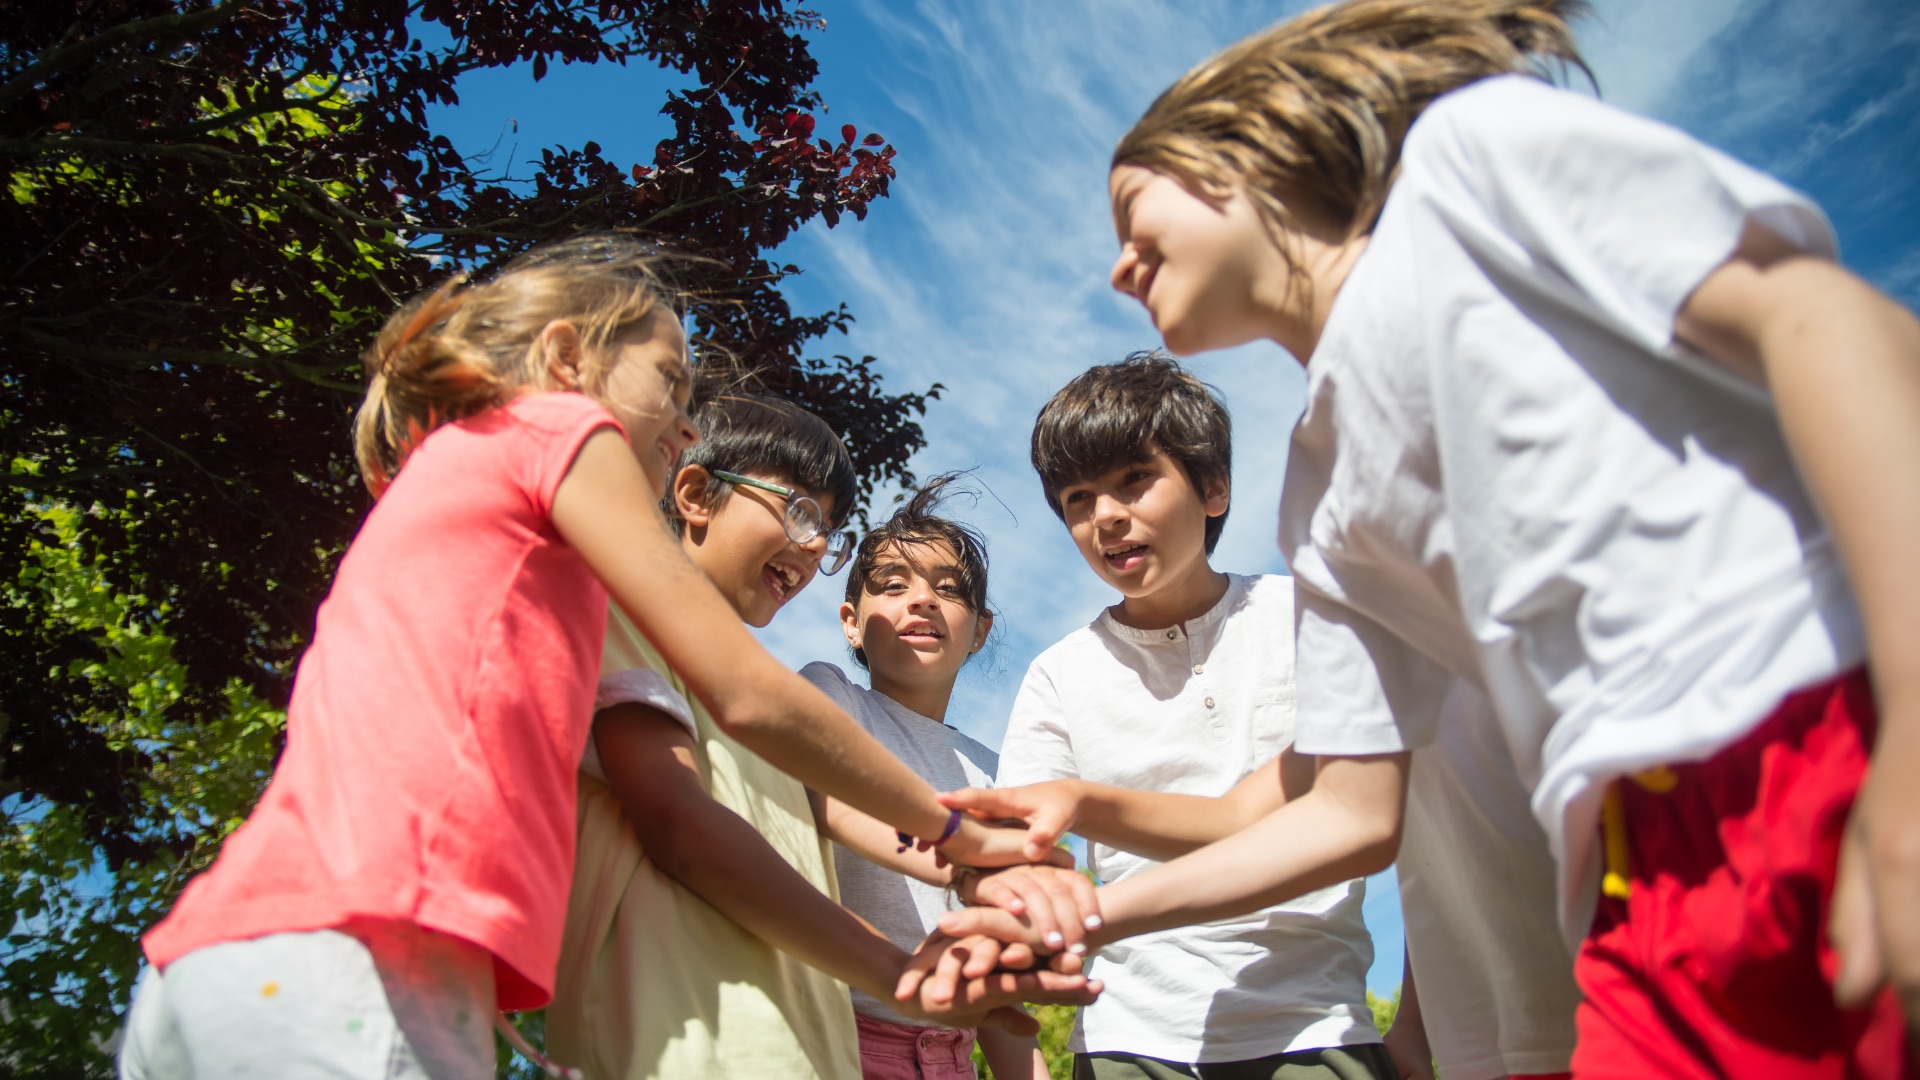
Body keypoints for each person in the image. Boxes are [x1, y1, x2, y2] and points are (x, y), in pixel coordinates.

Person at [928, 2, 1920, 1076]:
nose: (1121, 268)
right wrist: (1081, 920)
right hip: (1627, 875)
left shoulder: (1463, 168)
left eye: (1133, 214)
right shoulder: (1322, 491)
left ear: (1246, 165)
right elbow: (1346, 813)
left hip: (1804, 733)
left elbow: (1825, 320)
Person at [117, 236, 1090, 1079]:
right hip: (356, 953)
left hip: (291, 949)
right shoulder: (553, 425)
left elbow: (786, 773)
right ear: (565, 357)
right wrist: (955, 832)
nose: (686, 425)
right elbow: (743, 697)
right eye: (670, 383)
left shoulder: (538, 555)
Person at [546, 398, 1089, 1079]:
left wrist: (969, 864)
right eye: (800, 512)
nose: (813, 546)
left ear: (981, 629)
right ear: (695, 494)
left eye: (826, 531)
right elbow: (693, 823)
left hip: (804, 1040)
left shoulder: (752, 705)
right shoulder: (747, 682)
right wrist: (919, 926)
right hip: (677, 1037)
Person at [993, 354, 1393, 1080]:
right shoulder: (1058, 674)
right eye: (1078, 498)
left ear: (1214, 488)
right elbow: (1017, 851)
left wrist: (1416, 1025)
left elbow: (1388, 823)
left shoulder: (1308, 619)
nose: (1106, 516)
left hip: (1315, 1022)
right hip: (1128, 1037)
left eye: (1133, 480)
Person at [803, 476, 1059, 1080]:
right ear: (851, 622)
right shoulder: (833, 697)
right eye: (894, 585)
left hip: (953, 1057)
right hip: (838, 1043)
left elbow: (994, 975)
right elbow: (823, 799)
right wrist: (959, 856)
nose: (922, 600)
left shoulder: (998, 773)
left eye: (948, 589)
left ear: (980, 631)